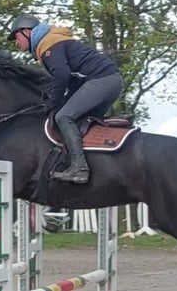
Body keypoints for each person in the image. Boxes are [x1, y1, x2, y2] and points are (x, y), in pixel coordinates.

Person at [7, 13, 123, 184]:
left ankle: (79, 169)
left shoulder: (48, 44)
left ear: (26, 31)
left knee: (64, 116)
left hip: (102, 80)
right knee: (79, 119)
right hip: (109, 80)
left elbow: (62, 77)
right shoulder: (51, 42)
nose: (17, 43)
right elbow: (73, 78)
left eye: (16, 37)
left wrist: (53, 103)